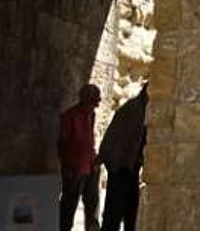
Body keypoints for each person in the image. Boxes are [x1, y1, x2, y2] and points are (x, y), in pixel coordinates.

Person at [98, 84, 148, 231]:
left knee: (129, 211)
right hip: (122, 167)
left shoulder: (139, 109)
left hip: (128, 167)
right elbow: (119, 138)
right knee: (115, 212)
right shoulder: (134, 109)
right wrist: (116, 165)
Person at [58, 83, 101, 231]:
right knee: (69, 206)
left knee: (92, 204)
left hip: (90, 166)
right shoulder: (69, 116)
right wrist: (66, 166)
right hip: (74, 167)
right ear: (84, 99)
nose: (96, 106)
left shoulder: (92, 115)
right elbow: (62, 143)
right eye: (93, 102)